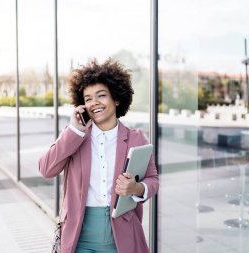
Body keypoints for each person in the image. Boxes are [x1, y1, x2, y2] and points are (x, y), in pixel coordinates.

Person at [38, 58, 159, 253]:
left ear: (116, 98)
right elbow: (46, 169)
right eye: (88, 99)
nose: (94, 103)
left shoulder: (137, 139)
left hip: (123, 235)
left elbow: (153, 179)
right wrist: (74, 131)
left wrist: (136, 187)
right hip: (80, 236)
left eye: (101, 95)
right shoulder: (74, 137)